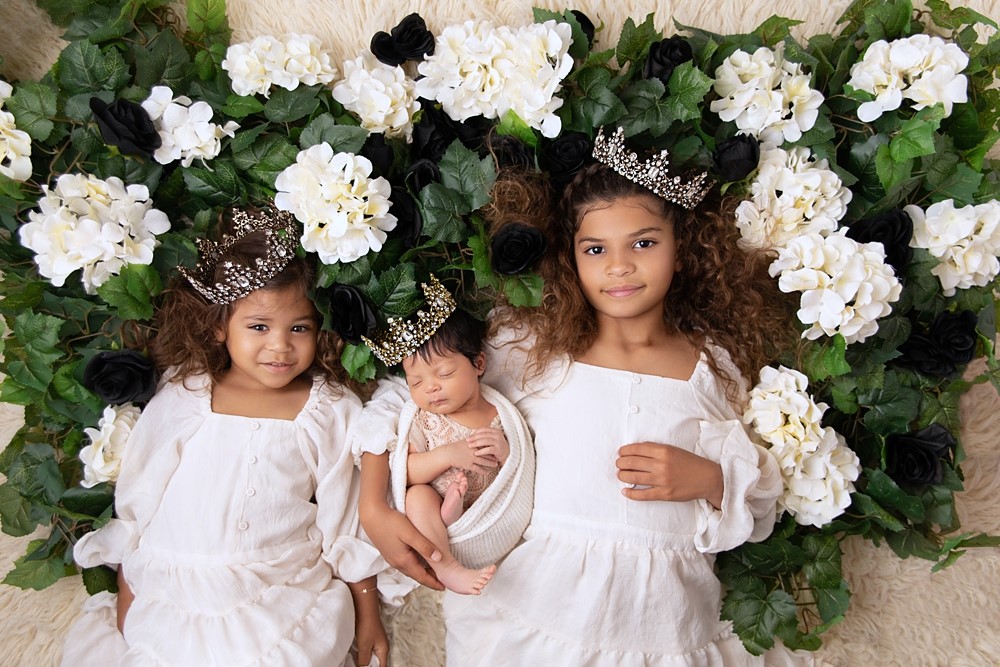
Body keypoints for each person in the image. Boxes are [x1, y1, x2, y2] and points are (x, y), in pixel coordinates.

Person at [353, 126, 796, 665]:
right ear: (572, 259)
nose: (619, 265)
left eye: (644, 242)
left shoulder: (713, 368)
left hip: (664, 616)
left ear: (681, 250)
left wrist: (706, 479)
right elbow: (405, 392)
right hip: (541, 605)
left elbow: (758, 501)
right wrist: (375, 503)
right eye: (595, 248)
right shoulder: (533, 350)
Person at [61, 208, 388, 667]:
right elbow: (143, 490)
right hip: (174, 580)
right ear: (220, 327)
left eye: (299, 328)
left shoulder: (327, 408)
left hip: (273, 584)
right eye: (258, 327)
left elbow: (344, 516)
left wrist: (367, 607)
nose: (279, 346)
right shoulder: (187, 392)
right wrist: (130, 582)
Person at [361, 279, 534, 596]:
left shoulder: (499, 412)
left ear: (478, 364)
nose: (430, 388)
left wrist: (506, 451)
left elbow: (520, 465)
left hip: (485, 510)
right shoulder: (422, 418)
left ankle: (455, 513)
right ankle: (447, 565)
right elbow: (407, 473)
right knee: (417, 498)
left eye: (444, 374)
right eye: (416, 381)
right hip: (433, 510)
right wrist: (448, 455)